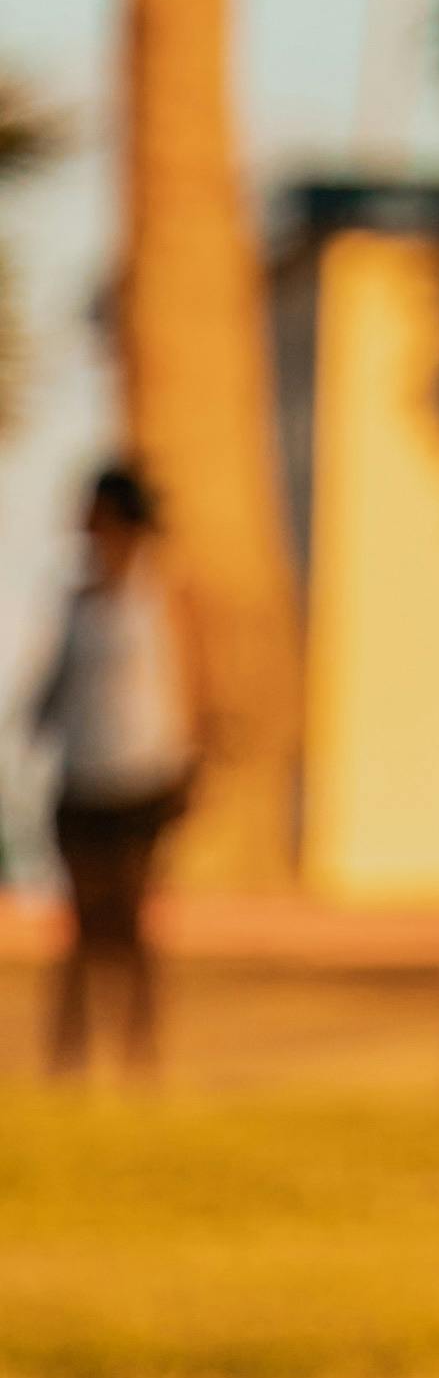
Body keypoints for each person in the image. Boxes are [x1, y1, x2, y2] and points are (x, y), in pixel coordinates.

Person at [30, 460, 198, 1078]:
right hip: (82, 781)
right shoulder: (74, 599)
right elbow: (54, 687)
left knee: (134, 926)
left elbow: (193, 684)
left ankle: (143, 1059)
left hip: (145, 781)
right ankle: (67, 1063)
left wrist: (194, 763)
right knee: (79, 928)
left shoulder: (165, 596)